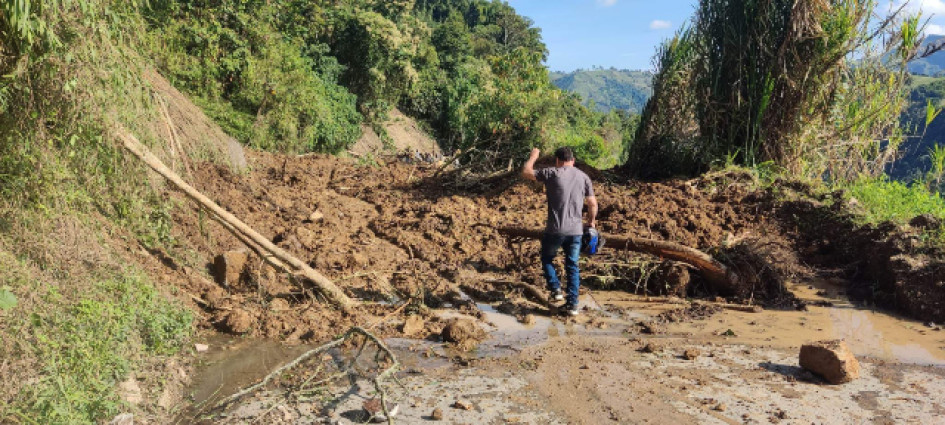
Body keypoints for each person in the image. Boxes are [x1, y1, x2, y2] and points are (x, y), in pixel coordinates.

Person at [521, 147, 598, 316]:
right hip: (576, 232)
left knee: (547, 259)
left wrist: (533, 156)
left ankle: (556, 289)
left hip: (555, 230)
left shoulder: (552, 173)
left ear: (557, 160)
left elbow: (526, 172)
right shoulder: (584, 177)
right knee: (572, 266)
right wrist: (591, 222)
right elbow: (592, 204)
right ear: (573, 160)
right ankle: (573, 305)